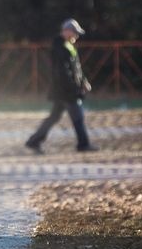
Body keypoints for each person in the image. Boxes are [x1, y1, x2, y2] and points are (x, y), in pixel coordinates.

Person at [25, 18, 95, 154]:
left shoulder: (67, 46)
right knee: (78, 117)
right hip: (66, 91)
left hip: (63, 91)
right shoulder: (60, 47)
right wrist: (74, 88)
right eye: (75, 33)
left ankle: (34, 141)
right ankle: (83, 144)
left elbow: (76, 68)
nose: (76, 36)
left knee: (54, 117)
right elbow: (62, 72)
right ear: (67, 31)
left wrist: (83, 81)